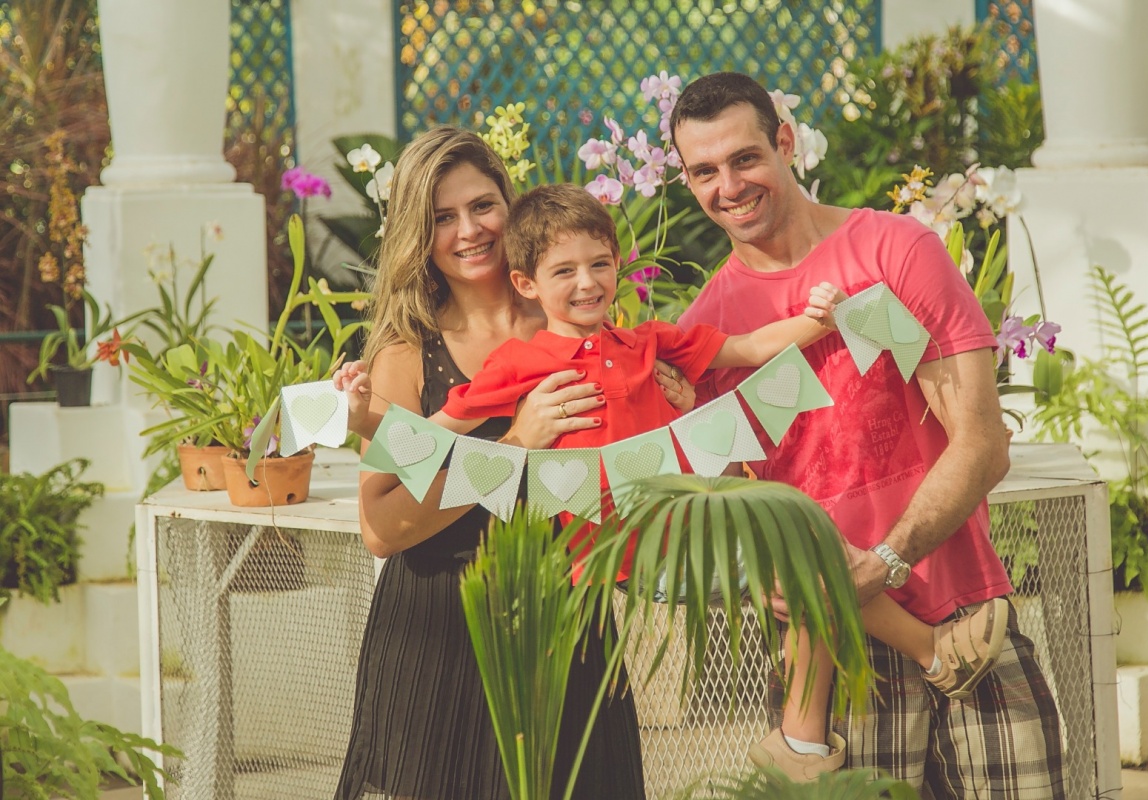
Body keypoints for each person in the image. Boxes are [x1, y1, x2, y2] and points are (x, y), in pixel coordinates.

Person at [340, 183, 1013, 785]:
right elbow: (439, 429)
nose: (586, 282)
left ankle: (804, 741)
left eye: (599, 264)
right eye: (564, 271)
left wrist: (822, 319)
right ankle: (928, 652)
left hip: (676, 526)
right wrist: (360, 412)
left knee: (802, 548)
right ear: (527, 284)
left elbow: (748, 350)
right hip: (607, 552)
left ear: (618, 265)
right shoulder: (522, 362)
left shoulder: (648, 342)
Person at [670, 73, 1065, 798]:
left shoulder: (894, 251)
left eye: (745, 158)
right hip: (832, 658)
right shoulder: (707, 334)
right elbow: (718, 511)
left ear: (784, 142)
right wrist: (766, 576)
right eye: (704, 171)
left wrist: (883, 560)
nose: (728, 185)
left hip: (967, 617)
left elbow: (982, 443)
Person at [333, 127, 692, 800]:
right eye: (443, 217)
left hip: (566, 616)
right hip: (443, 629)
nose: (469, 230)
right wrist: (513, 448)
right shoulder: (410, 351)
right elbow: (381, 525)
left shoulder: (573, 309)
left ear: (510, 203)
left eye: (482, 205)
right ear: (419, 232)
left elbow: (643, 445)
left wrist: (676, 397)